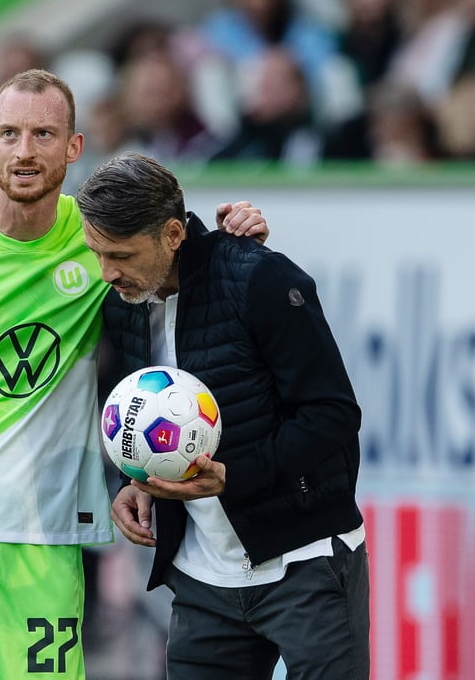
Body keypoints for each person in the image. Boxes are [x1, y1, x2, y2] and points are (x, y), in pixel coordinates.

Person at [0, 69, 268, 680]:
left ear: (74, 147)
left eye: (44, 134)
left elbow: (179, 259)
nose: (24, 152)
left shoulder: (96, 239)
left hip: (47, 538)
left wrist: (237, 235)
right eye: (10, 134)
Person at [76, 152, 370, 679]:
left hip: (305, 563)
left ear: (171, 234)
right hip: (201, 581)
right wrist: (132, 479)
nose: (106, 271)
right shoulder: (121, 301)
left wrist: (234, 478)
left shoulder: (260, 278)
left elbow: (333, 415)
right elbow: (134, 412)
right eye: (96, 253)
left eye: (119, 254)